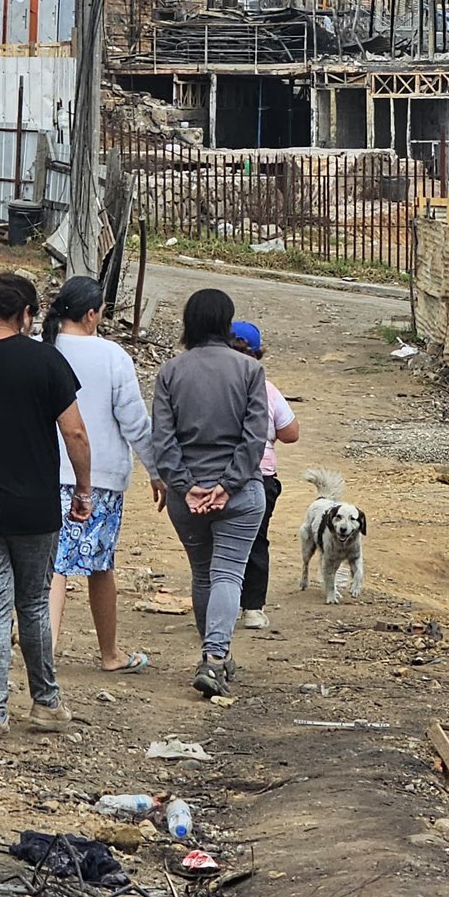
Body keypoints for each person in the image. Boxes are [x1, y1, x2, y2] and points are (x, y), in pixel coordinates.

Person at [0, 273, 90, 740]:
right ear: (26, 314)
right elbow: (74, 432)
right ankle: (45, 702)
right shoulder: (44, 359)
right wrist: (84, 490)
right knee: (33, 602)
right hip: (34, 503)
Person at [151, 288, 270, 698]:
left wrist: (187, 486)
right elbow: (256, 439)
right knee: (228, 573)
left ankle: (214, 654)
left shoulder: (169, 372)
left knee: (203, 573)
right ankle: (215, 658)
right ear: (226, 322)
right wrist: (226, 485)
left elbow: (162, 442)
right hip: (239, 495)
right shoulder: (249, 371)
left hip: (187, 498)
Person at [48, 275, 157, 674]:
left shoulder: (45, 348)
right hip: (98, 477)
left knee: (52, 563)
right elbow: (134, 422)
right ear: (93, 314)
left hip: (45, 472)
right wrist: (156, 470)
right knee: (99, 565)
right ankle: (107, 654)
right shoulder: (112, 356)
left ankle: (47, 652)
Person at [228, 319, 300, 630]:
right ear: (258, 354)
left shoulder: (213, 383)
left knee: (218, 544)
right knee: (256, 541)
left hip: (216, 473)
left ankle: (220, 606)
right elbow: (291, 433)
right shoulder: (267, 389)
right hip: (260, 477)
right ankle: (253, 608)